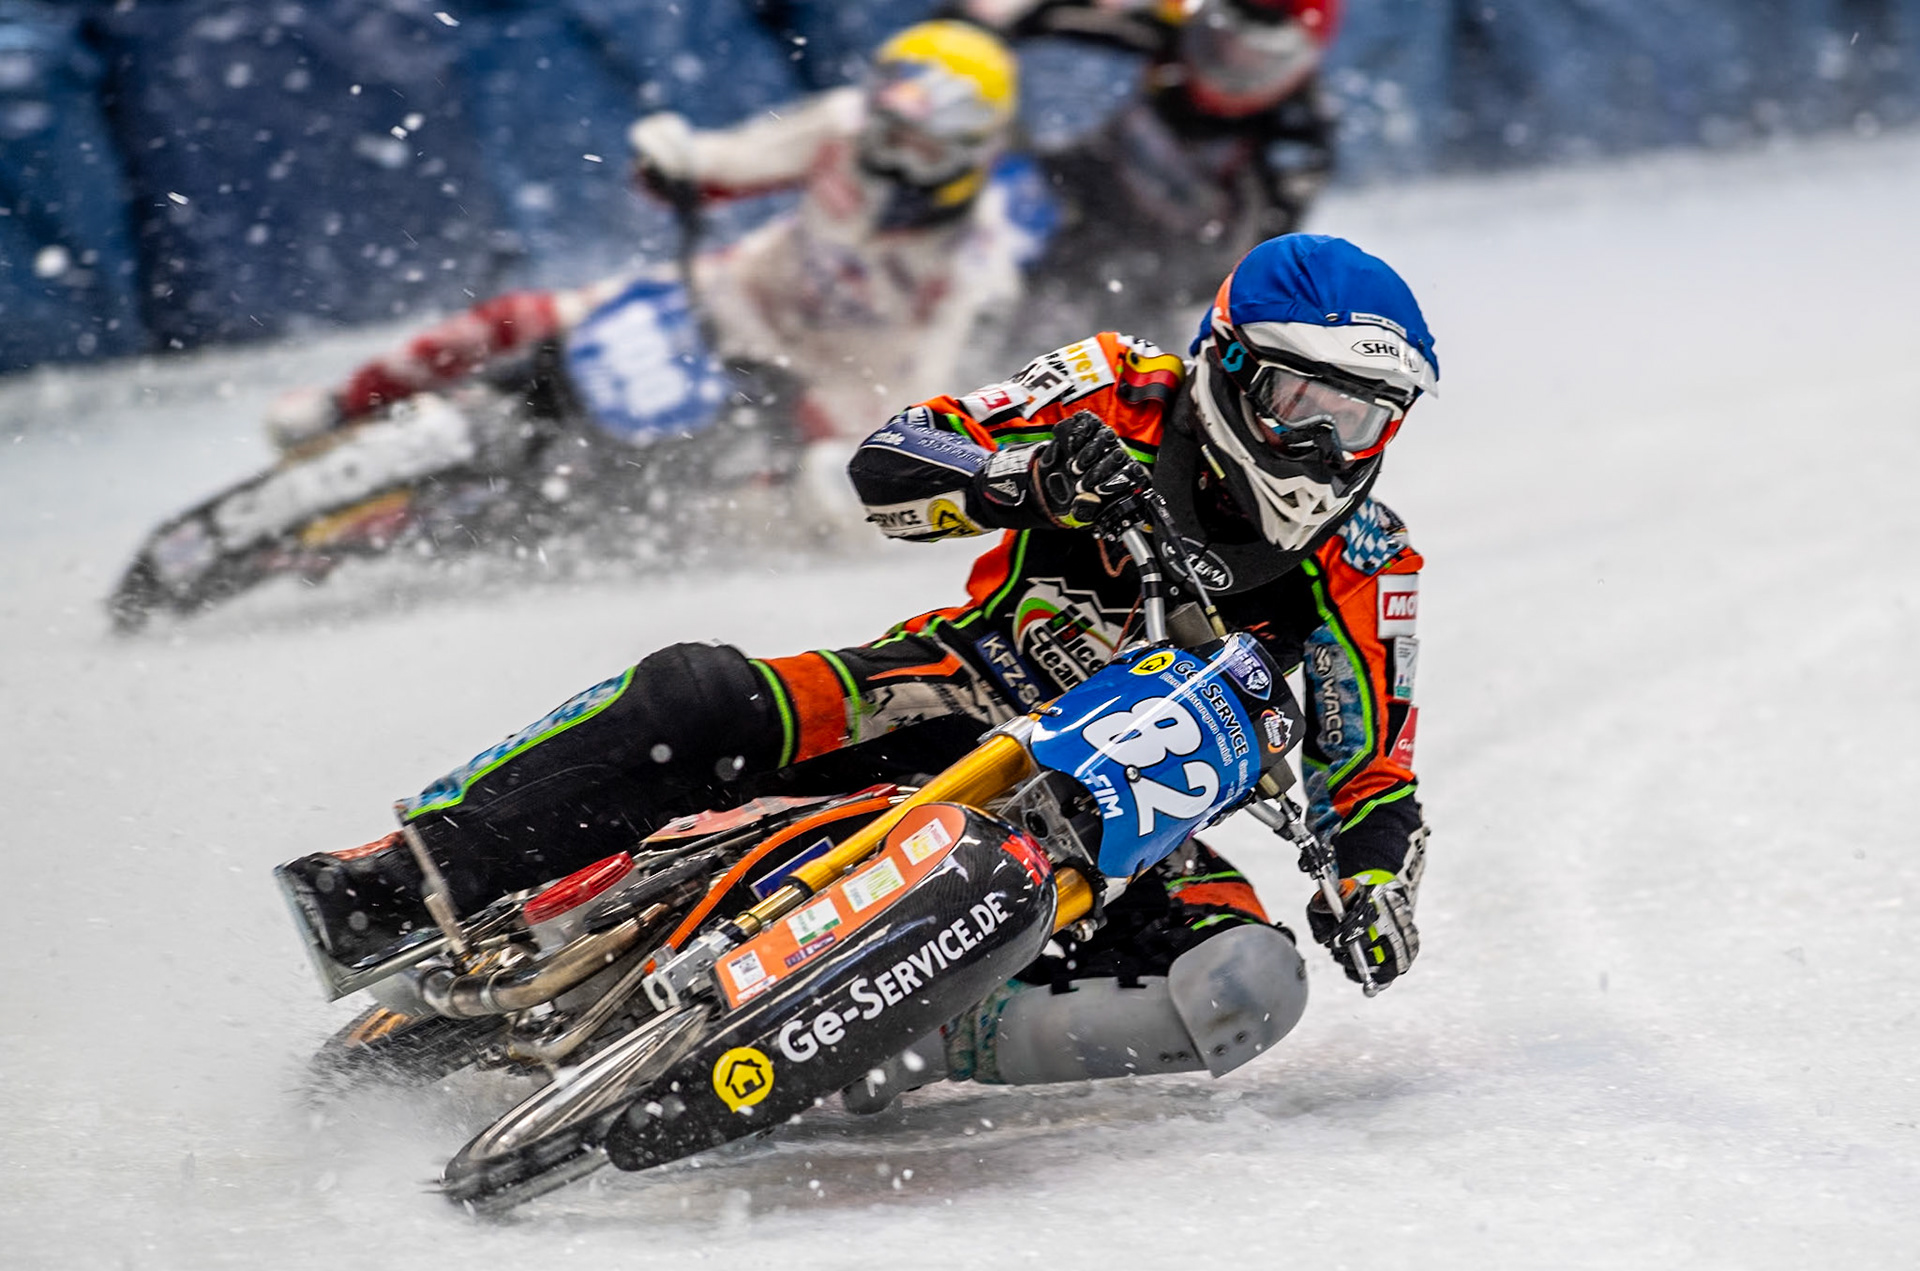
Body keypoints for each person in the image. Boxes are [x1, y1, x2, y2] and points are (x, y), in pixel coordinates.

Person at [281, 232, 1433, 1100]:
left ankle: (927, 1034)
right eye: (1306, 402)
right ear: (1226, 364)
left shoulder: (1369, 567)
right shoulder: (1113, 388)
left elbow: (1372, 770)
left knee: (1248, 984)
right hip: (944, 690)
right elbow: (895, 458)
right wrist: (1027, 484)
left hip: (1121, 820)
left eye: (1365, 418)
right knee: (699, 693)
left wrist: (1376, 889)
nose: (1332, 449)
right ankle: (406, 872)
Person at [264, 20, 1030, 458]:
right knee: (519, 317)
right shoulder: (842, 125)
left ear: (972, 150)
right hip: (732, 293)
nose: (888, 157)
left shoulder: (977, 264)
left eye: (918, 145)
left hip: (830, 378)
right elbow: (724, 164)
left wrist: (868, 450)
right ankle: (343, 405)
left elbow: (930, 394)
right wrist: (674, 158)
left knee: (785, 487)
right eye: (887, 129)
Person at [956, 0, 1341, 350]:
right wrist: (973, 30)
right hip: (1086, 184)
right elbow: (1052, 16)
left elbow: (1264, 255)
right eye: (1217, 40)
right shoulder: (1170, 32)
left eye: (1260, 60)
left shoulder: (1296, 139)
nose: (1228, 65)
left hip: (1166, 265)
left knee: (1116, 360)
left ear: (1302, 66)